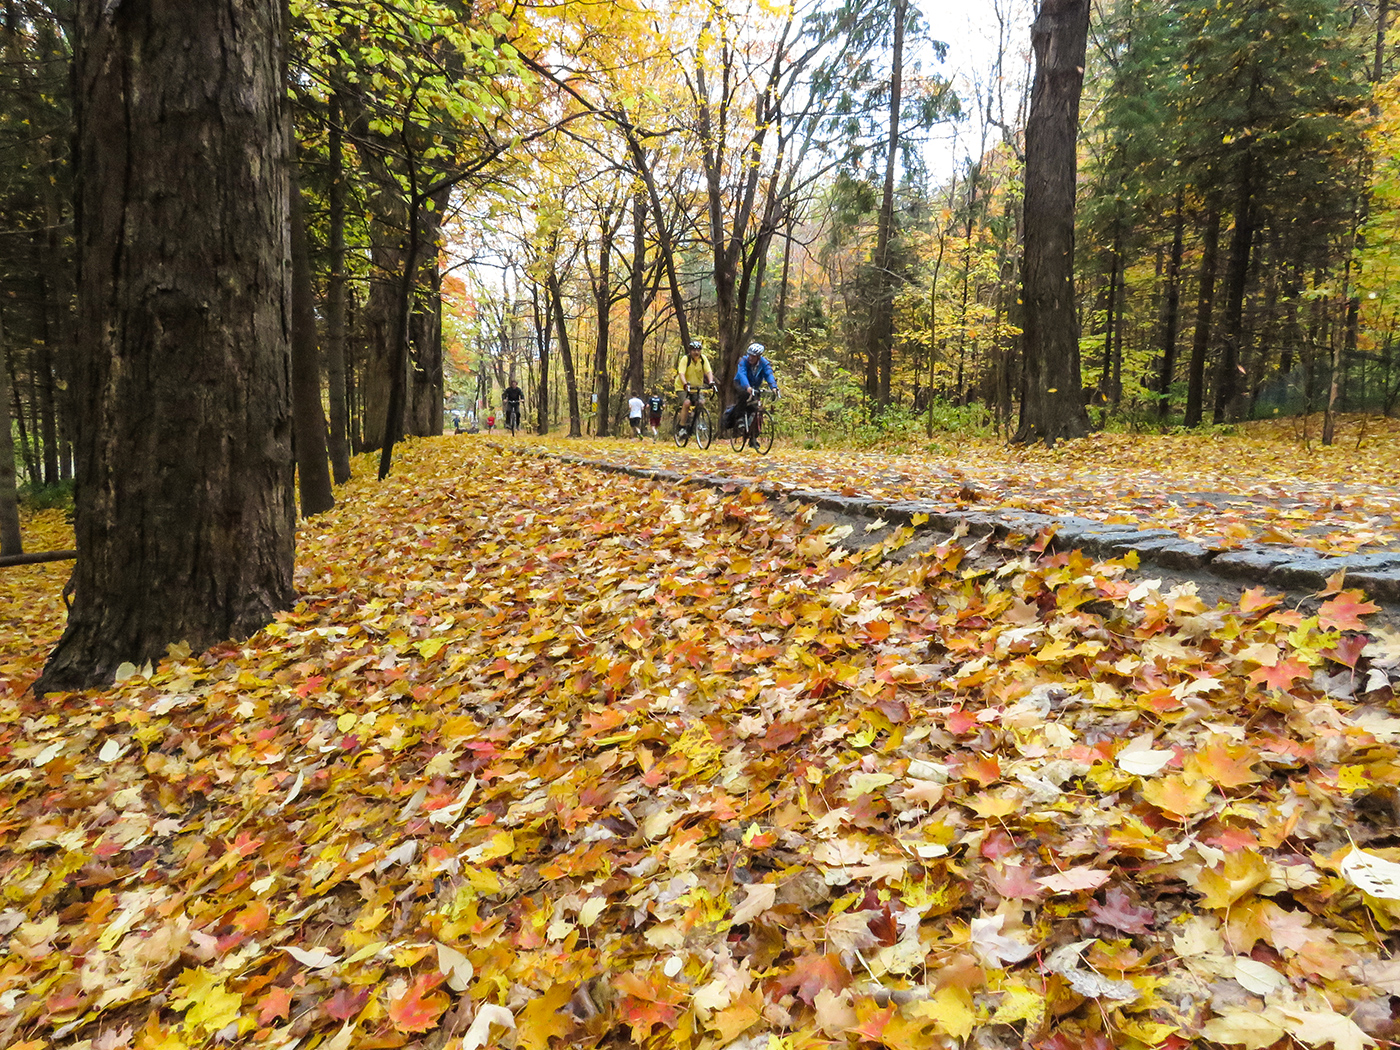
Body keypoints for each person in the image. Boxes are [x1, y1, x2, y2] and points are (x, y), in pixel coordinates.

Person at [733, 341, 779, 449]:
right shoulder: (743, 361)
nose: (750, 358)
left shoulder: (764, 364)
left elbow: (769, 375)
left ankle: (753, 438)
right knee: (744, 396)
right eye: (749, 355)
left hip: (754, 386)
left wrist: (774, 387)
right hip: (741, 383)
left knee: (756, 410)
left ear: (758, 357)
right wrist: (747, 387)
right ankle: (740, 419)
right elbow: (742, 374)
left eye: (753, 356)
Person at [676, 340, 715, 436]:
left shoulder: (703, 359)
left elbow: (708, 371)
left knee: (701, 403)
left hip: (697, 387)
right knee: (687, 403)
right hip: (682, 387)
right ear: (690, 351)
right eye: (694, 350)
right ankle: (682, 427)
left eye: (698, 350)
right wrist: (685, 384)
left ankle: (694, 417)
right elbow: (681, 373)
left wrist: (711, 381)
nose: (696, 352)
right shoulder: (685, 359)